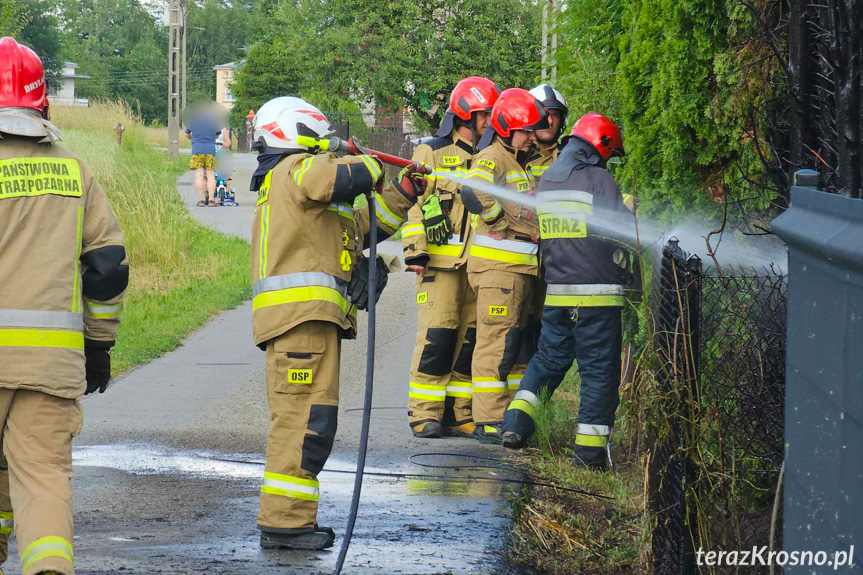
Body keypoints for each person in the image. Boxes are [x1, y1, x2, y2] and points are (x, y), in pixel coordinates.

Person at [249, 96, 423, 550]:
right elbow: (343, 174)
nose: (329, 145)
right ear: (296, 131)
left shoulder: (308, 188)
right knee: (302, 422)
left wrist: (404, 191)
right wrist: (364, 158)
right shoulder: (296, 170)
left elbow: (365, 225)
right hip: (300, 322)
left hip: (312, 323)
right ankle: (285, 524)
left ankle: (291, 521)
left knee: (312, 420)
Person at [0, 37, 128, 575]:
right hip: (49, 367)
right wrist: (98, 346)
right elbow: (107, 266)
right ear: (40, 99)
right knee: (43, 478)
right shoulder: (74, 171)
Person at [500, 114, 634, 471]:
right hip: (597, 297)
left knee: (547, 362)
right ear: (600, 146)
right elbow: (617, 232)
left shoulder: (551, 179)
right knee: (598, 373)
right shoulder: (600, 179)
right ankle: (589, 454)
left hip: (557, 294)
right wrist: (629, 210)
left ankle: (515, 423)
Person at [402, 76, 502, 439]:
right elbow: (414, 202)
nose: (490, 122)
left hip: (480, 265)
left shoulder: (493, 157)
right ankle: (424, 412)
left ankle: (459, 412)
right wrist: (416, 250)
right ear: (466, 114)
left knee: (469, 341)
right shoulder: (432, 151)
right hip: (440, 265)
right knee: (437, 337)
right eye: (485, 114)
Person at [461, 88, 550, 443]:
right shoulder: (492, 157)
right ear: (506, 127)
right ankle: (489, 418)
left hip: (520, 270)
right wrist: (498, 222)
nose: (533, 137)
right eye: (526, 130)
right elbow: (474, 191)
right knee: (496, 343)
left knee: (513, 344)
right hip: (500, 269)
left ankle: (507, 414)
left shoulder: (519, 163)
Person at [184, 103, 229, 207]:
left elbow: (187, 134)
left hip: (197, 150)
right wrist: (210, 139)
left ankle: (201, 200)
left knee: (199, 175)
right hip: (210, 150)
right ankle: (212, 200)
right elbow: (217, 135)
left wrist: (193, 139)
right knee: (210, 175)